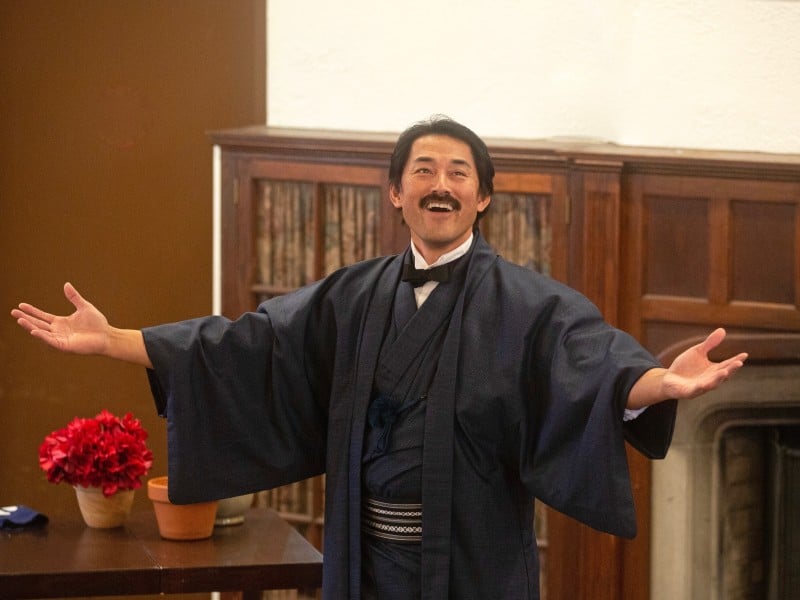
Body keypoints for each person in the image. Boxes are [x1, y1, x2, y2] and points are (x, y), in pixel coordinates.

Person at [12, 116, 747, 600]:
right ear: (397, 193)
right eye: (423, 171)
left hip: (473, 563)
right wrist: (114, 340)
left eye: (460, 173)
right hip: (365, 561)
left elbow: (595, 365)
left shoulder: (529, 305)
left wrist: (658, 382)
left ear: (484, 198)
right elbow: (250, 345)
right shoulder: (352, 296)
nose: (442, 185)